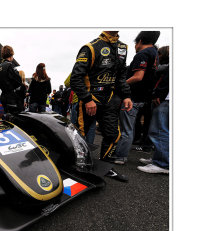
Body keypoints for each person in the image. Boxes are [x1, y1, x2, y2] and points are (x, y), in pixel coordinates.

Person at [70, 31, 133, 181]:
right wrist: (87, 99)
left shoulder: (122, 47)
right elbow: (75, 77)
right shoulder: (91, 47)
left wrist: (126, 95)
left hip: (110, 100)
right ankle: (78, 169)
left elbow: (121, 75)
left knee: (113, 135)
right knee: (79, 137)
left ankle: (106, 168)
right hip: (90, 100)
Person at [113, 31, 160, 164]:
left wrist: (119, 84)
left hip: (133, 97)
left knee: (126, 129)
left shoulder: (143, 54)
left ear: (139, 41)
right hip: (143, 97)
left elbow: (138, 76)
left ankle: (120, 156)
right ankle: (120, 154)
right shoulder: (154, 53)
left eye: (135, 43)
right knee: (130, 127)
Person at [138, 46, 169, 174]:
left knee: (159, 131)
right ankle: (159, 159)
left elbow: (167, 80)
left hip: (165, 99)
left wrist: (159, 94)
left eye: (159, 55)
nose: (157, 58)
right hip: (166, 99)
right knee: (161, 130)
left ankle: (162, 163)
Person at [0, 45, 25, 114]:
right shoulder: (9, 65)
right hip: (11, 97)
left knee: (8, 117)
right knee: (16, 118)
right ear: (11, 54)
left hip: (3, 96)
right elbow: (18, 81)